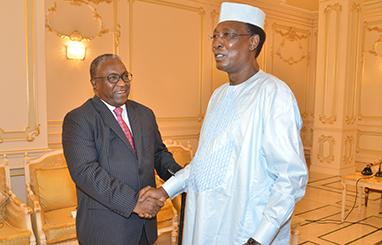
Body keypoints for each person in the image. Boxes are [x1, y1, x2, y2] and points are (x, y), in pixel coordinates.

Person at [143, 2, 308, 245]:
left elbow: (290, 177)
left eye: (228, 35)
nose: (217, 43)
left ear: (253, 42)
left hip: (245, 230)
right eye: (215, 36)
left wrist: (260, 237)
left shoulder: (273, 93)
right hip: (203, 225)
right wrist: (164, 191)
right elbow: (203, 164)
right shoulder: (218, 96)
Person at [62, 53, 182, 245]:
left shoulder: (145, 114)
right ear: (94, 83)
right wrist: (133, 202)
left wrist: (182, 178)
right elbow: (86, 172)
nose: (122, 83)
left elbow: (158, 153)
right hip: (106, 230)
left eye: (125, 76)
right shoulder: (79, 119)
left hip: (145, 227)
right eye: (112, 78)